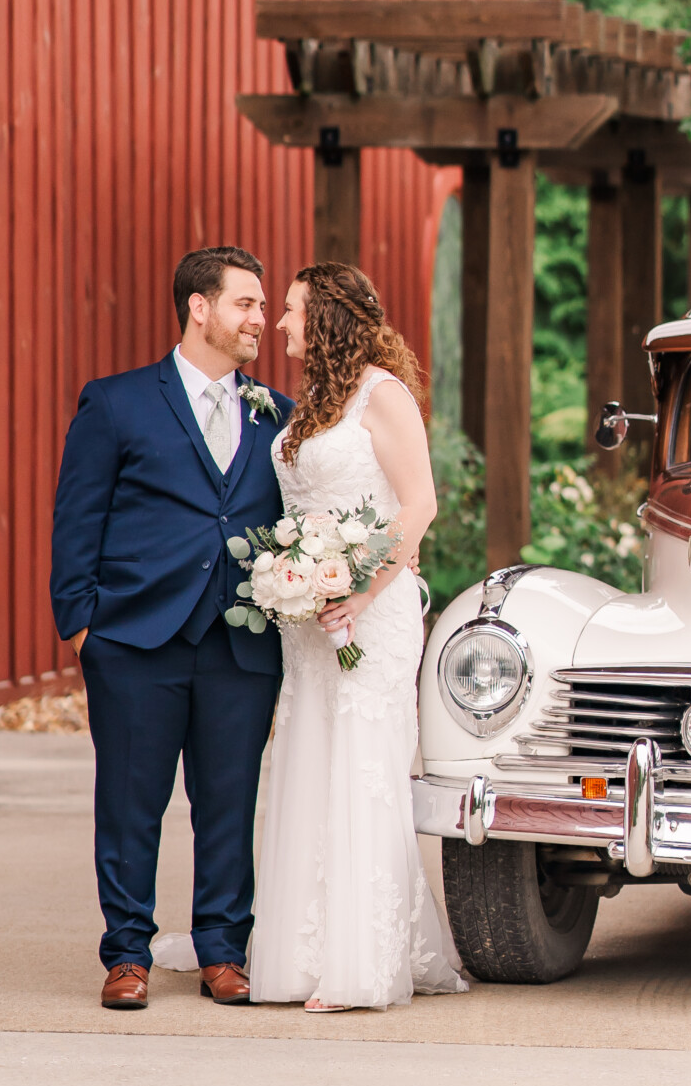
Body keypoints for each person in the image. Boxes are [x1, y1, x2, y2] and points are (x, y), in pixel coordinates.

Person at [48, 245, 293, 1012]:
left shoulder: (277, 414)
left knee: (228, 801)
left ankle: (223, 949)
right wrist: (82, 627)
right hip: (134, 641)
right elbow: (76, 518)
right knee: (130, 803)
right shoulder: (116, 402)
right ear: (199, 308)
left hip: (239, 642)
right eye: (247, 304)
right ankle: (127, 953)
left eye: (262, 306)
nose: (260, 319)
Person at [248, 263, 468, 1010]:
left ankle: (361, 963)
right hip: (311, 621)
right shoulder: (314, 402)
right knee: (311, 759)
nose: (280, 322)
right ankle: (305, 953)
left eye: (291, 309)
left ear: (329, 318)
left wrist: (358, 590)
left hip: (371, 612)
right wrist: (300, 579)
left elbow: (418, 504)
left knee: (362, 768)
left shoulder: (383, 394)